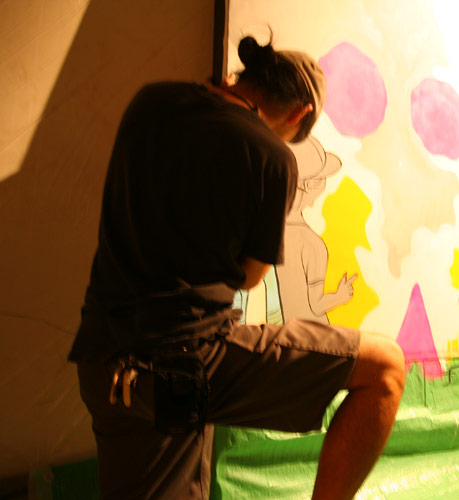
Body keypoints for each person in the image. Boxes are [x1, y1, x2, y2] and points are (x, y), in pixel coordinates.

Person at [68, 35, 405, 500]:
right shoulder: (272, 157)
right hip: (181, 363)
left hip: (101, 360)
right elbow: (249, 276)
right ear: (300, 113)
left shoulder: (151, 102)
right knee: (386, 367)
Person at [276, 136, 357, 324]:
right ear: (307, 185)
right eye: (321, 178)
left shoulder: (269, 235)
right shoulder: (312, 244)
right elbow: (316, 305)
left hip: (281, 330)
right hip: (311, 333)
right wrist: (340, 296)